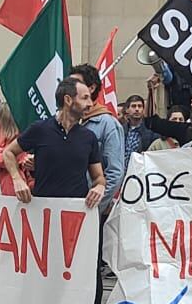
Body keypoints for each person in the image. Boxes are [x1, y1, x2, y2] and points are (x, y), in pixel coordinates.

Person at [7, 79, 106, 208]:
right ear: (68, 100)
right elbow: (8, 152)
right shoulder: (40, 129)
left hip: (76, 214)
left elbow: (99, 177)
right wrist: (17, 179)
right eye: (85, 98)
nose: (90, 104)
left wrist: (100, 186)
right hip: (41, 212)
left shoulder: (89, 137)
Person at [68, 65, 125, 212]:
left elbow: (115, 173)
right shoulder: (69, 122)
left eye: (76, 83)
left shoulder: (108, 124)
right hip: (66, 205)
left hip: (87, 209)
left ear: (91, 89)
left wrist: (93, 208)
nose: (69, 87)